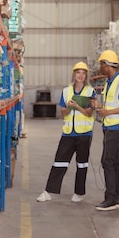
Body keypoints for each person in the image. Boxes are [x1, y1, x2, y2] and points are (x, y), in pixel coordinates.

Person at [37, 62, 96, 203]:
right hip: (68, 133)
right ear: (74, 75)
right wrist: (70, 107)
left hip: (84, 134)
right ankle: (48, 191)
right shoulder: (66, 91)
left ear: (86, 75)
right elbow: (63, 112)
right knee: (59, 162)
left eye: (83, 73)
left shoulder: (90, 92)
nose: (80, 75)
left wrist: (76, 106)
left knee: (82, 164)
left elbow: (89, 113)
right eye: (78, 72)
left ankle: (79, 193)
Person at [92, 50, 119, 211]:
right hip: (109, 125)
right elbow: (113, 104)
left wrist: (108, 112)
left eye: (101, 64)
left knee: (107, 160)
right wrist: (100, 107)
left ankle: (110, 198)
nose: (100, 67)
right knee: (115, 160)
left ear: (107, 65)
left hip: (117, 126)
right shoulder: (109, 82)